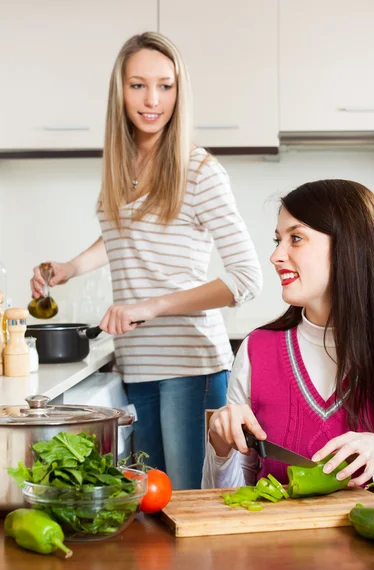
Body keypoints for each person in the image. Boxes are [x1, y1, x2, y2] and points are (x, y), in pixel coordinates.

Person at [30, 32, 262, 489]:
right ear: (120, 90)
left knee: (187, 506)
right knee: (151, 509)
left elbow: (246, 278)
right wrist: (70, 269)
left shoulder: (199, 171)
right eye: (138, 85)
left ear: (180, 92)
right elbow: (123, 234)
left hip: (189, 365)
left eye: (165, 85)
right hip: (137, 364)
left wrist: (149, 307)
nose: (152, 99)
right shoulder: (122, 168)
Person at [202, 179, 374, 490]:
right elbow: (225, 500)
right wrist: (220, 447)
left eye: (296, 238)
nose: (276, 257)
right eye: (277, 241)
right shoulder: (256, 350)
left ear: (349, 247)